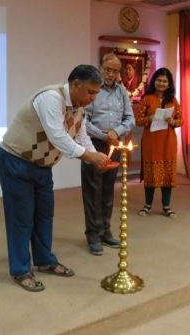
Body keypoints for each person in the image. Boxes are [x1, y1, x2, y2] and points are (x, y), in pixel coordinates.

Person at [0, 64, 110, 292]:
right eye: (90, 92)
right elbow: (57, 136)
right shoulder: (51, 98)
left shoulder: (79, 107)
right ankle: (21, 270)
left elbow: (81, 135)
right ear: (75, 84)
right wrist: (88, 156)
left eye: (96, 94)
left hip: (42, 166)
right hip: (16, 160)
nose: (92, 98)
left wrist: (97, 156)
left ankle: (45, 260)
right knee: (22, 218)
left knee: (44, 215)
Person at [81, 53, 135, 256]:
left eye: (115, 70)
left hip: (115, 144)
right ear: (101, 68)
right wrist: (105, 135)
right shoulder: (92, 88)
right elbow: (82, 121)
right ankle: (93, 234)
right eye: (107, 69)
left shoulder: (122, 92)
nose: (111, 74)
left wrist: (117, 133)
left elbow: (130, 119)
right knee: (92, 190)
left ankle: (105, 230)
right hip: (93, 143)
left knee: (108, 190)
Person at [135, 67, 184, 218]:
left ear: (169, 84)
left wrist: (173, 121)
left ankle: (166, 207)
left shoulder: (173, 101)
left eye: (165, 81)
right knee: (151, 174)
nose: (161, 83)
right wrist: (148, 119)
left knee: (167, 175)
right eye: (159, 80)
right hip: (151, 142)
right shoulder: (146, 99)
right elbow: (137, 120)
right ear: (154, 81)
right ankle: (147, 205)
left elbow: (181, 120)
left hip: (168, 142)